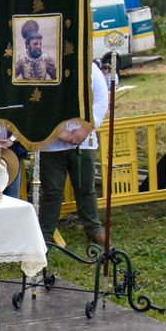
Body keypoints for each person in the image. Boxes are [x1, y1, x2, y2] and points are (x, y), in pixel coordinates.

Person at [36, 58, 113, 247]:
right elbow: (38, 101)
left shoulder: (90, 69)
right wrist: (58, 132)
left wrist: (86, 128)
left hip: (83, 140)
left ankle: (94, 228)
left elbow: (101, 100)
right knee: (52, 191)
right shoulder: (46, 66)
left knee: (85, 188)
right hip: (52, 142)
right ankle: (45, 234)